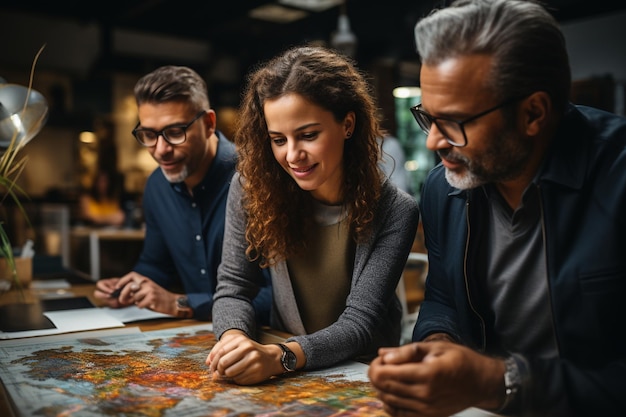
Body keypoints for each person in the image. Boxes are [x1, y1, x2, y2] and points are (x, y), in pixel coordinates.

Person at [368, 0, 626, 416]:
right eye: (428, 117)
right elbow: (443, 298)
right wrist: (438, 346)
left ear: (533, 113)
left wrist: (498, 381)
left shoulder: (617, 178)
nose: (434, 142)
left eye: (453, 121)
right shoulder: (443, 188)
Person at [206, 45, 419, 385]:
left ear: (347, 124)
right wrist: (233, 337)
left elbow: (358, 326)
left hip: (363, 375)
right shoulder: (251, 189)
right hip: (285, 370)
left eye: (308, 135)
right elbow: (234, 288)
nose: (293, 155)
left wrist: (280, 357)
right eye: (278, 139)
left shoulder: (396, 210)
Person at [93, 65, 272, 322]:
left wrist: (185, 304)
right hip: (193, 337)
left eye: (175, 132)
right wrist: (132, 286)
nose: (161, 150)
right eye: (148, 134)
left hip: (260, 337)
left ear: (209, 124)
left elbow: (278, 297)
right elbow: (156, 265)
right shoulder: (156, 186)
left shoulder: (255, 181)